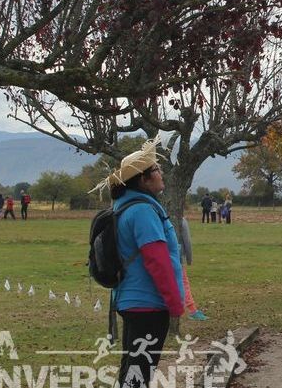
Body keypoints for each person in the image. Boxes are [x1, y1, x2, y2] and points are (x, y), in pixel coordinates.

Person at [89, 138, 184, 388]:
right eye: (155, 169)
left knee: (133, 368)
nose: (160, 173)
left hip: (131, 299)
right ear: (143, 179)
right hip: (148, 304)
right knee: (139, 372)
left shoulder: (124, 206)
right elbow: (158, 261)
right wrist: (175, 303)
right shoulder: (143, 211)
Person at [180, 217, 208, 321]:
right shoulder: (181, 220)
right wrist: (189, 259)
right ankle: (192, 310)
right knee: (184, 283)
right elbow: (187, 241)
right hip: (177, 258)